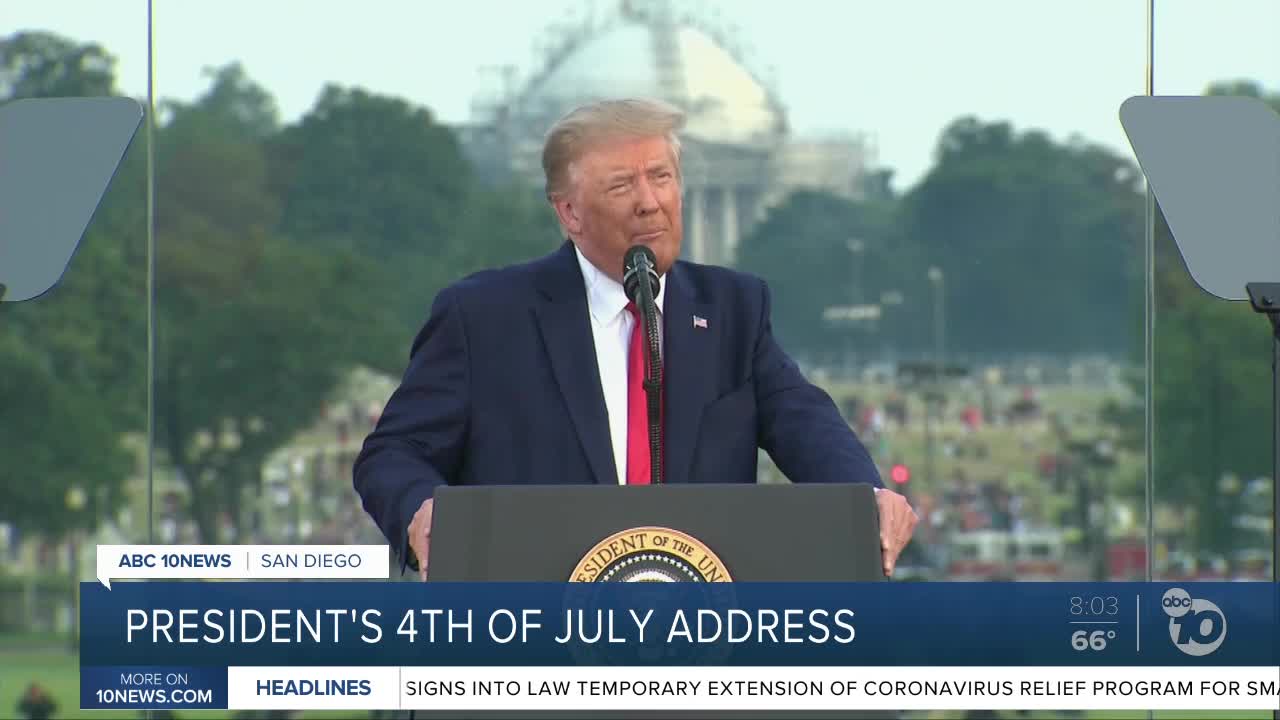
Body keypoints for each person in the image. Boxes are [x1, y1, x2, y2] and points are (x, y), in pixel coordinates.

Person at [353, 98, 917, 579]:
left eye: (662, 177)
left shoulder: (732, 309)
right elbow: (394, 453)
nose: (650, 201)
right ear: (570, 212)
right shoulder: (483, 317)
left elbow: (803, 419)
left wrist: (864, 497)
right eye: (623, 185)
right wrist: (422, 514)